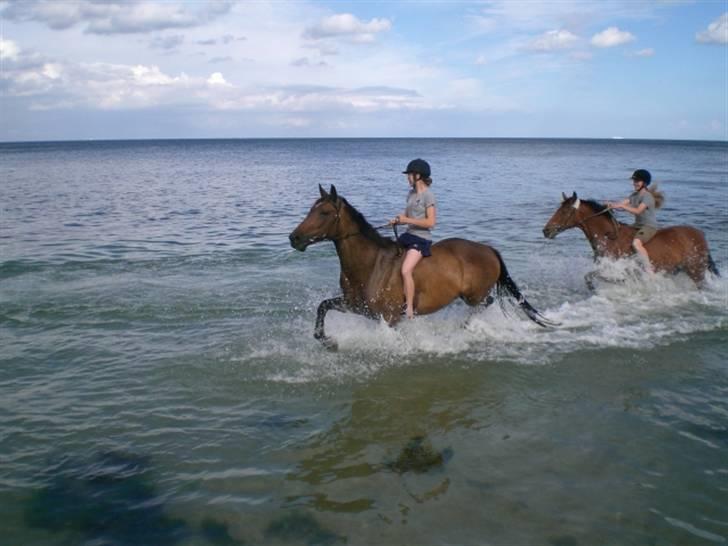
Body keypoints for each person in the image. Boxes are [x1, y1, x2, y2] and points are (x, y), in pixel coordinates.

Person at [390, 158, 437, 319]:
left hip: (421, 239)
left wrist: (406, 220)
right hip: (408, 235)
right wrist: (398, 219)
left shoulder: (428, 196)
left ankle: (409, 307)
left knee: (405, 269)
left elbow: (431, 222)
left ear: (418, 176)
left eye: (409, 174)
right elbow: (407, 215)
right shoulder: (411, 194)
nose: (407, 178)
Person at [608, 169, 659, 273]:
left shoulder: (647, 197)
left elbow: (638, 211)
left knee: (636, 243)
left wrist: (622, 206)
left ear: (644, 183)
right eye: (634, 181)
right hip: (637, 225)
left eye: (637, 181)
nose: (634, 183)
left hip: (648, 226)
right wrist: (611, 205)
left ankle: (649, 268)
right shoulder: (634, 195)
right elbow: (622, 204)